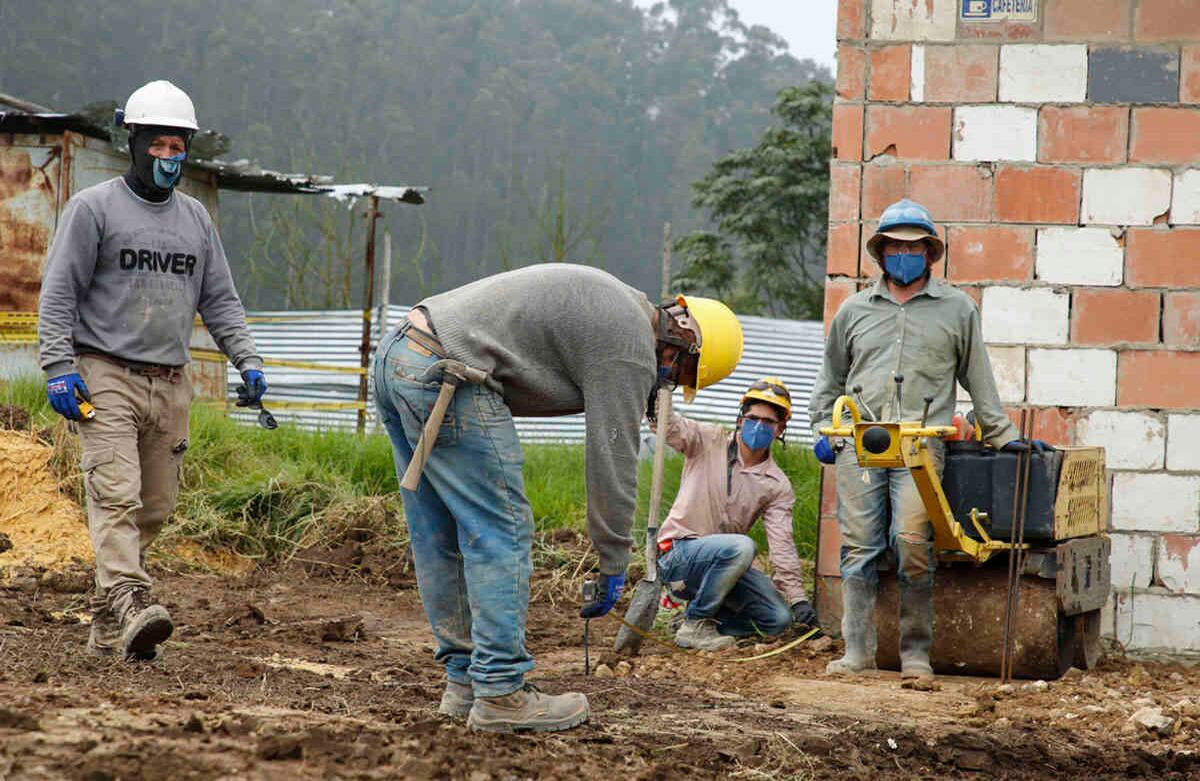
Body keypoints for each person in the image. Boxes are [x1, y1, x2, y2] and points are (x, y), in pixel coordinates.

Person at [373, 263, 742, 732]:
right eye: (681, 372)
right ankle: (501, 692)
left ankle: (465, 684)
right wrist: (614, 560)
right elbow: (612, 461)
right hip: (451, 372)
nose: (665, 382)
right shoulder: (631, 348)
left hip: (401, 356)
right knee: (500, 531)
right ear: (683, 340)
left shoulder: (621, 305)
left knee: (438, 536)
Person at [38, 80, 265, 661]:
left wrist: (248, 358)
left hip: (170, 382)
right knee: (115, 497)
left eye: (178, 146)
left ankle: (106, 618)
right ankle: (134, 600)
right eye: (158, 145)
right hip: (104, 374)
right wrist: (58, 366)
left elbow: (220, 299)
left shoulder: (194, 221)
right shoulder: (93, 209)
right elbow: (59, 293)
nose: (169, 157)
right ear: (132, 143)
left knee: (154, 508)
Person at [809, 199, 1042, 688]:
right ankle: (857, 652)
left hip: (921, 445)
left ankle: (916, 654)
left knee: (913, 544)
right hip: (861, 443)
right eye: (895, 246)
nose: (904, 254)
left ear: (930, 254)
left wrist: (1003, 436)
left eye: (914, 246)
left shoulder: (957, 309)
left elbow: (979, 380)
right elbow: (829, 381)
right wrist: (820, 431)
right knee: (859, 548)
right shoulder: (854, 311)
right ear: (881, 253)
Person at [655, 377, 814, 651]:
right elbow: (667, 425)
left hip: (725, 565)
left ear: (781, 429)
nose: (758, 426)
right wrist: (660, 385)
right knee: (741, 547)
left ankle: (702, 624)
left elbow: (782, 544)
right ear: (741, 420)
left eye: (768, 422)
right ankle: (696, 622)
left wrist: (798, 599)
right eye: (753, 418)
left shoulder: (777, 485)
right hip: (678, 556)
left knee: (777, 619)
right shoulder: (707, 441)